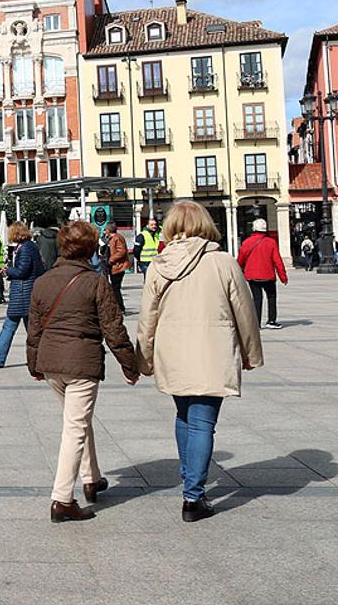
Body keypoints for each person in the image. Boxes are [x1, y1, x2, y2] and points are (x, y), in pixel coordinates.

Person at [136, 200, 263, 522]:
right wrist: (250, 353)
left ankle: (189, 478)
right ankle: (193, 496)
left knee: (183, 415)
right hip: (212, 349)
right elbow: (245, 312)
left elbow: (147, 317)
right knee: (203, 422)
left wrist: (144, 358)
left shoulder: (158, 264)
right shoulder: (224, 262)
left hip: (173, 349)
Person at [28, 220, 139, 522]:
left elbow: (34, 328)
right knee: (75, 427)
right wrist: (130, 365)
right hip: (81, 363)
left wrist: (33, 364)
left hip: (51, 364)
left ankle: (92, 478)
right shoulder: (95, 282)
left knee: (77, 418)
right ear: (90, 248)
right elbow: (114, 328)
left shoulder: (43, 281)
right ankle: (62, 499)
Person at [0, 223, 44, 368]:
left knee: (24, 328)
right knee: (22, 327)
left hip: (23, 292)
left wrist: (8, 270)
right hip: (25, 292)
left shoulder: (26, 248)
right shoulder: (29, 246)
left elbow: (22, 271)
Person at [237, 218, 287, 330]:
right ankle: (271, 320)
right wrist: (283, 277)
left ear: (253, 229)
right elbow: (277, 261)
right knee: (271, 296)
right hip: (268, 275)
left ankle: (256, 323)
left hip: (252, 276)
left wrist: (238, 270)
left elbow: (240, 259)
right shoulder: (271, 242)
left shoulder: (246, 242)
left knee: (257, 298)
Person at [104, 222, 130, 314]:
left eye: (105, 229)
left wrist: (111, 260)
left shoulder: (117, 238)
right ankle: (117, 307)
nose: (104, 231)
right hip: (113, 266)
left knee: (115, 288)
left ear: (108, 230)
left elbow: (121, 251)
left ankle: (120, 307)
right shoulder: (111, 238)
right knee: (114, 287)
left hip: (118, 266)